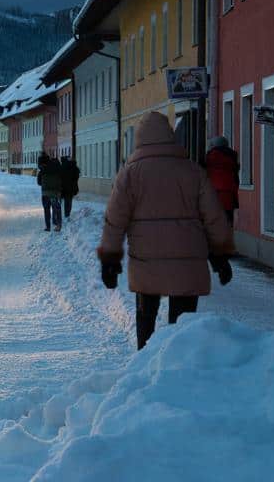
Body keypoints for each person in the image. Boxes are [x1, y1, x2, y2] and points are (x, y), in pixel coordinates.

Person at [98, 112, 235, 349]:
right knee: (183, 327)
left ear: (139, 139)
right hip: (187, 261)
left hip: (146, 261)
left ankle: (145, 364)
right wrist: (220, 256)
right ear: (170, 137)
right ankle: (178, 370)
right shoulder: (192, 171)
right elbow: (213, 217)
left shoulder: (129, 174)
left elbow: (115, 221)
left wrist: (110, 260)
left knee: (146, 320)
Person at [205, 136, 241, 226]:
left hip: (212, 195)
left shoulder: (209, 157)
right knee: (227, 223)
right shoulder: (232, 158)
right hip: (229, 195)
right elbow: (236, 180)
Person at [36, 154, 63, 231]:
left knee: (46, 209)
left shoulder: (42, 170)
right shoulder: (57, 168)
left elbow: (39, 182)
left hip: (45, 193)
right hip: (56, 192)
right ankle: (58, 225)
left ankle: (48, 227)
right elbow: (61, 179)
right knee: (57, 208)